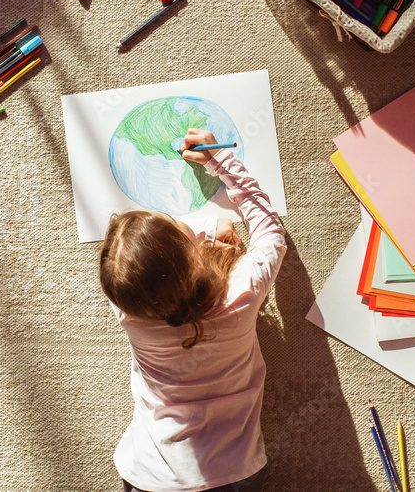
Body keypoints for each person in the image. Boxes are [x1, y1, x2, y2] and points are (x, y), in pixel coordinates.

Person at [99, 128, 287, 492]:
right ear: (194, 260)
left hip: (149, 475)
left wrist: (202, 235)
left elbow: (155, 273)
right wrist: (224, 162)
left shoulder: (128, 310)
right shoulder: (241, 292)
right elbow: (270, 232)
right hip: (235, 471)